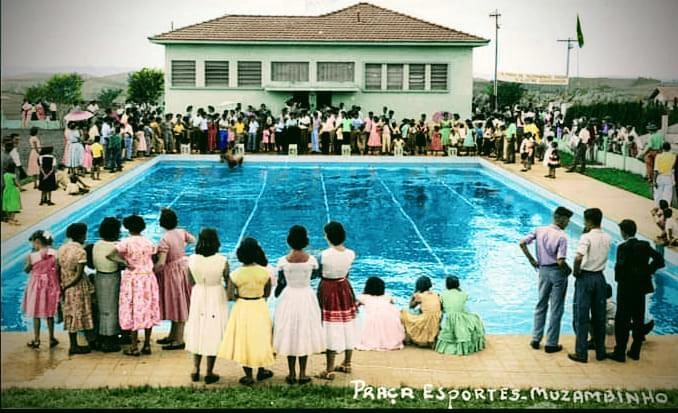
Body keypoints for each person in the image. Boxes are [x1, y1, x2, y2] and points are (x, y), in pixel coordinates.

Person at [217, 237, 275, 386]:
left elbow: (229, 295)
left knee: (245, 340)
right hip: (259, 305)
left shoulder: (235, 274)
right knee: (261, 338)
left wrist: (239, 295)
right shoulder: (264, 273)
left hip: (243, 307)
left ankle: (248, 375)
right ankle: (262, 370)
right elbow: (267, 293)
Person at [606, 220, 664, 362]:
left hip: (626, 288)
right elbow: (659, 260)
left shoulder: (623, 247)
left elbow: (619, 269)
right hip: (640, 288)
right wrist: (647, 271)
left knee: (622, 320)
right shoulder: (644, 246)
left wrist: (620, 278)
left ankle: (620, 351)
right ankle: (635, 350)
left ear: (624, 232)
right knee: (638, 319)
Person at [274, 225, 325, 385]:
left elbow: (281, 283)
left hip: (289, 296)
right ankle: (303, 373)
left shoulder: (282, 261)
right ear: (306, 241)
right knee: (304, 332)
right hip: (305, 295)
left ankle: (291, 373)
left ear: (289, 241)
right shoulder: (311, 260)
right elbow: (315, 275)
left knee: (290, 332)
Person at [520, 206, 573, 353]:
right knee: (556, 308)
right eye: (568, 220)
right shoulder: (562, 236)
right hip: (557, 272)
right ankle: (551, 343)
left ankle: (536, 339)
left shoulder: (539, 230)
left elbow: (522, 243)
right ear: (561, 218)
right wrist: (569, 270)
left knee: (541, 304)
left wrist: (532, 260)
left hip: (542, 270)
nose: (568, 223)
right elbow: (561, 261)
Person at [107, 215, 161, 357]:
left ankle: (134, 346)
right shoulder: (148, 242)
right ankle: (147, 344)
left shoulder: (126, 242)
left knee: (133, 309)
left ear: (127, 227)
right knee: (147, 308)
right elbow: (154, 257)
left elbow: (110, 255)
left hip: (133, 279)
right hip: (148, 278)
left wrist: (124, 262)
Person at [185, 228, 230, 384]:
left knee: (198, 330)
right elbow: (228, 282)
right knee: (213, 331)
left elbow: (190, 282)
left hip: (198, 295)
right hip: (215, 294)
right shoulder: (222, 260)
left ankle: (195, 369)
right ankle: (209, 371)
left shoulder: (192, 260)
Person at [568, 208, 612, 363]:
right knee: (599, 316)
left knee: (582, 316)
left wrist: (576, 272)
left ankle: (581, 353)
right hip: (600, 278)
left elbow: (579, 257)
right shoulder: (608, 237)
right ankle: (601, 351)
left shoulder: (586, 237)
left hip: (586, 277)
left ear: (588, 221)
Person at [316, 221, 357, 380]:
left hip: (328, 289)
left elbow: (319, 273)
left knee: (329, 326)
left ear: (329, 236)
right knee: (348, 323)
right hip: (345, 288)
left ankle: (329, 369)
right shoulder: (351, 253)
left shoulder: (324, 255)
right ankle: (347, 362)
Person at [154, 208, 196, 351]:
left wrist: (152, 272)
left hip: (172, 274)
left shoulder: (164, 239)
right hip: (183, 269)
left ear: (161, 223)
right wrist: (181, 248)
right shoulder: (181, 232)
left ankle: (179, 339)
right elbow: (193, 240)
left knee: (176, 304)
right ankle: (173, 335)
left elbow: (161, 263)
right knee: (179, 302)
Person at [58, 223, 96, 355]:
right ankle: (82, 343)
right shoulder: (81, 252)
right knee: (80, 312)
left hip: (65, 283)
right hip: (77, 286)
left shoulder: (62, 248)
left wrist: (62, 285)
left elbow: (58, 269)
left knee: (70, 313)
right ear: (81, 235)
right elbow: (79, 274)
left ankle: (73, 344)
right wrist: (69, 285)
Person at [22, 230, 60, 349]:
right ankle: (51, 338)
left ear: (37, 242)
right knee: (50, 313)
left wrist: (30, 262)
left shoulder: (32, 256)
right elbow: (58, 269)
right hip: (50, 285)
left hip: (36, 286)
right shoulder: (55, 253)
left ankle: (37, 339)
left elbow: (27, 270)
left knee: (36, 313)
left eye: (33, 243)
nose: (33, 246)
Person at [92, 217, 124, 353]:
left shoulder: (97, 244)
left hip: (99, 277)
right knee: (112, 308)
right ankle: (109, 340)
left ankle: (101, 335)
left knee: (102, 308)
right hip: (112, 278)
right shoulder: (116, 246)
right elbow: (122, 263)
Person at [434, 276, 485, 355]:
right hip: (461, 318)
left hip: (448, 319)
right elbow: (464, 308)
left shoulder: (442, 294)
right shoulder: (463, 294)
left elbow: (442, 310)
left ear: (446, 285)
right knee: (476, 319)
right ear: (458, 284)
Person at [355, 276, 405, 351]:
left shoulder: (362, 297)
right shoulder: (387, 296)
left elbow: (355, 307)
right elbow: (393, 302)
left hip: (373, 319)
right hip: (389, 319)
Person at [400, 275, 442, 348]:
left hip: (426, 320)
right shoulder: (436, 294)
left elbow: (411, 306)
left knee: (403, 312)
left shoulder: (419, 295)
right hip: (436, 320)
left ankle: (407, 338)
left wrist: (414, 294)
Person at [653, 142, 676, 206]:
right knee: (667, 195)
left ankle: (657, 208)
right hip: (669, 177)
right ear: (670, 148)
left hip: (660, 177)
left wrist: (654, 181)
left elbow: (656, 170)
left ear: (662, 148)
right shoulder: (673, 156)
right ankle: (666, 209)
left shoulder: (658, 156)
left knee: (658, 194)